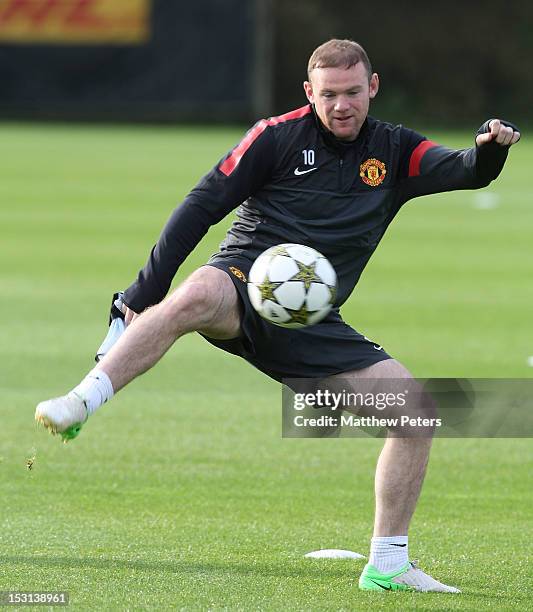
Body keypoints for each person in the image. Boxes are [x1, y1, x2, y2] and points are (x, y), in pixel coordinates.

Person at [35, 39, 520, 592]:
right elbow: (203, 205)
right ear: (309, 92)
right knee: (197, 294)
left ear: (373, 87)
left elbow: (463, 169)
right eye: (329, 94)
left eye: (353, 93)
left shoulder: (394, 149)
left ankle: (387, 564)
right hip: (242, 283)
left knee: (416, 413)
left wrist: (489, 149)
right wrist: (144, 290)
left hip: (308, 321)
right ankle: (83, 401)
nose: (342, 106)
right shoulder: (276, 136)